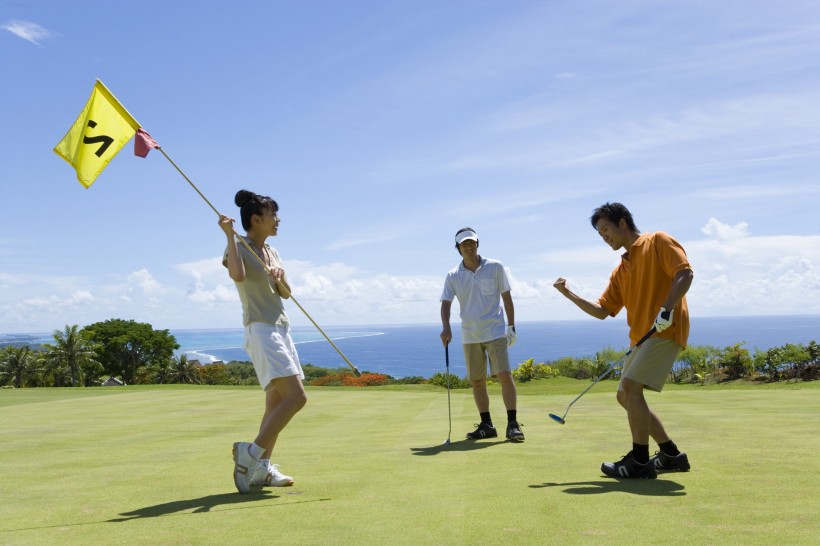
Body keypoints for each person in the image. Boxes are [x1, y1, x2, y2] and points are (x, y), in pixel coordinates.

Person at [553, 202, 693, 479]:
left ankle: (640, 461)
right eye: (600, 233)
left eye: (606, 229)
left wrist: (667, 308)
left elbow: (684, 273)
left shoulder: (658, 241)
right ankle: (671, 454)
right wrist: (569, 294)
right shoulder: (621, 269)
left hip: (665, 329)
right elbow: (602, 311)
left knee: (630, 387)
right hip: (641, 338)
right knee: (624, 395)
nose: (604, 237)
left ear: (623, 223)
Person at [219, 189, 307, 493]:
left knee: (277, 404)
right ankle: (251, 454)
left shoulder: (272, 252)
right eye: (273, 215)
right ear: (256, 219)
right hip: (261, 329)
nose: (278, 219)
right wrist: (230, 235)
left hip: (281, 327)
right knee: (297, 398)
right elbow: (238, 276)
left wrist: (279, 276)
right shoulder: (239, 247)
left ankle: (263, 469)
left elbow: (285, 293)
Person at [440, 227, 524, 442]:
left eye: (471, 242)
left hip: (495, 331)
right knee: (477, 381)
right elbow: (446, 303)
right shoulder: (453, 275)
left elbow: (506, 298)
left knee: (505, 376)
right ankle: (486, 425)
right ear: (458, 248)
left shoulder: (495, 267)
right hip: (470, 335)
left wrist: (511, 326)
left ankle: (512, 424)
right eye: (463, 244)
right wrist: (446, 327)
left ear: (477, 243)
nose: (468, 247)